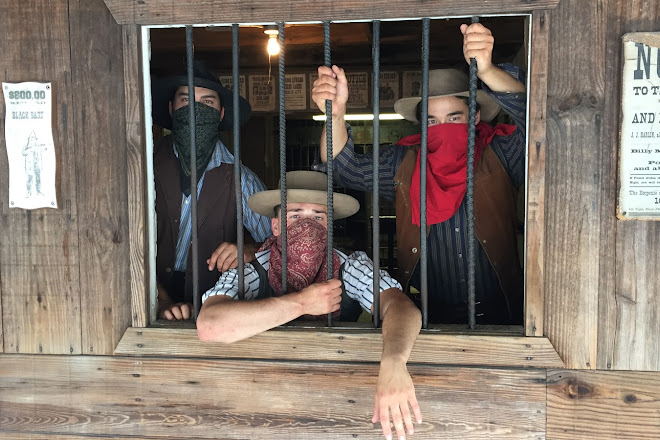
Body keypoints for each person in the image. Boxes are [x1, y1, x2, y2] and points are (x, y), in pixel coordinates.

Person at [311, 23, 526, 324]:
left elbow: (537, 122)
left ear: (475, 116)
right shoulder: (402, 162)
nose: (443, 129)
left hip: (503, 313)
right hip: (428, 316)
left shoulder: (500, 153)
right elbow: (343, 167)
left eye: (454, 118)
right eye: (432, 122)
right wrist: (334, 115)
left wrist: (487, 70)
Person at [197, 170, 423, 440]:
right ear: (276, 227)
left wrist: (394, 361)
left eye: (317, 217)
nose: (307, 226)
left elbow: (400, 306)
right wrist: (303, 302)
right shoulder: (253, 267)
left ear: (329, 226)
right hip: (260, 405)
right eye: (295, 216)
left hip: (340, 404)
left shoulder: (349, 265)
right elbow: (210, 325)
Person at [151, 62, 272, 320]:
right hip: (144, 301)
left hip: (215, 307)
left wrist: (249, 250)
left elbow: (279, 244)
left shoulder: (241, 180)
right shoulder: (143, 166)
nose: (196, 111)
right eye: (186, 100)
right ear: (171, 109)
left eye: (207, 102)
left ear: (220, 113)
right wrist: (159, 299)